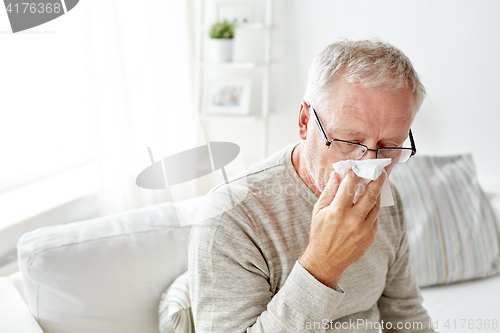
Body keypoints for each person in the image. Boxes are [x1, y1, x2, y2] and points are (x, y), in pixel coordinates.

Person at [188, 38, 436, 332]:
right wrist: (323, 265)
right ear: (305, 121)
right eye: (351, 141)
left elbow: (405, 313)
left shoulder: (383, 196)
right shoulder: (231, 217)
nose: (369, 166)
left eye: (388, 146)